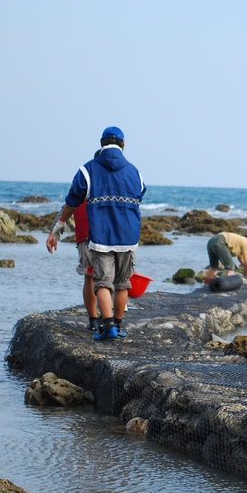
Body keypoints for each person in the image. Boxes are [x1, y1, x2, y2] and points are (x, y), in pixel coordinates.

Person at [49, 127, 146, 341]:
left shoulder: (87, 170)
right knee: (122, 283)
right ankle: (119, 326)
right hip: (129, 237)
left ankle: (107, 326)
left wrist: (60, 224)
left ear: (101, 143)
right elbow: (141, 192)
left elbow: (73, 199)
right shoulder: (134, 171)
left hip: (102, 237)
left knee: (101, 282)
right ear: (123, 144)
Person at [46, 198, 99, 331]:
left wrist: (54, 232)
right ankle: (107, 319)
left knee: (89, 276)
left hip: (85, 233)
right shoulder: (112, 177)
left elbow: (69, 204)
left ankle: (93, 321)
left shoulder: (82, 178)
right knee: (109, 275)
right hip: (105, 231)